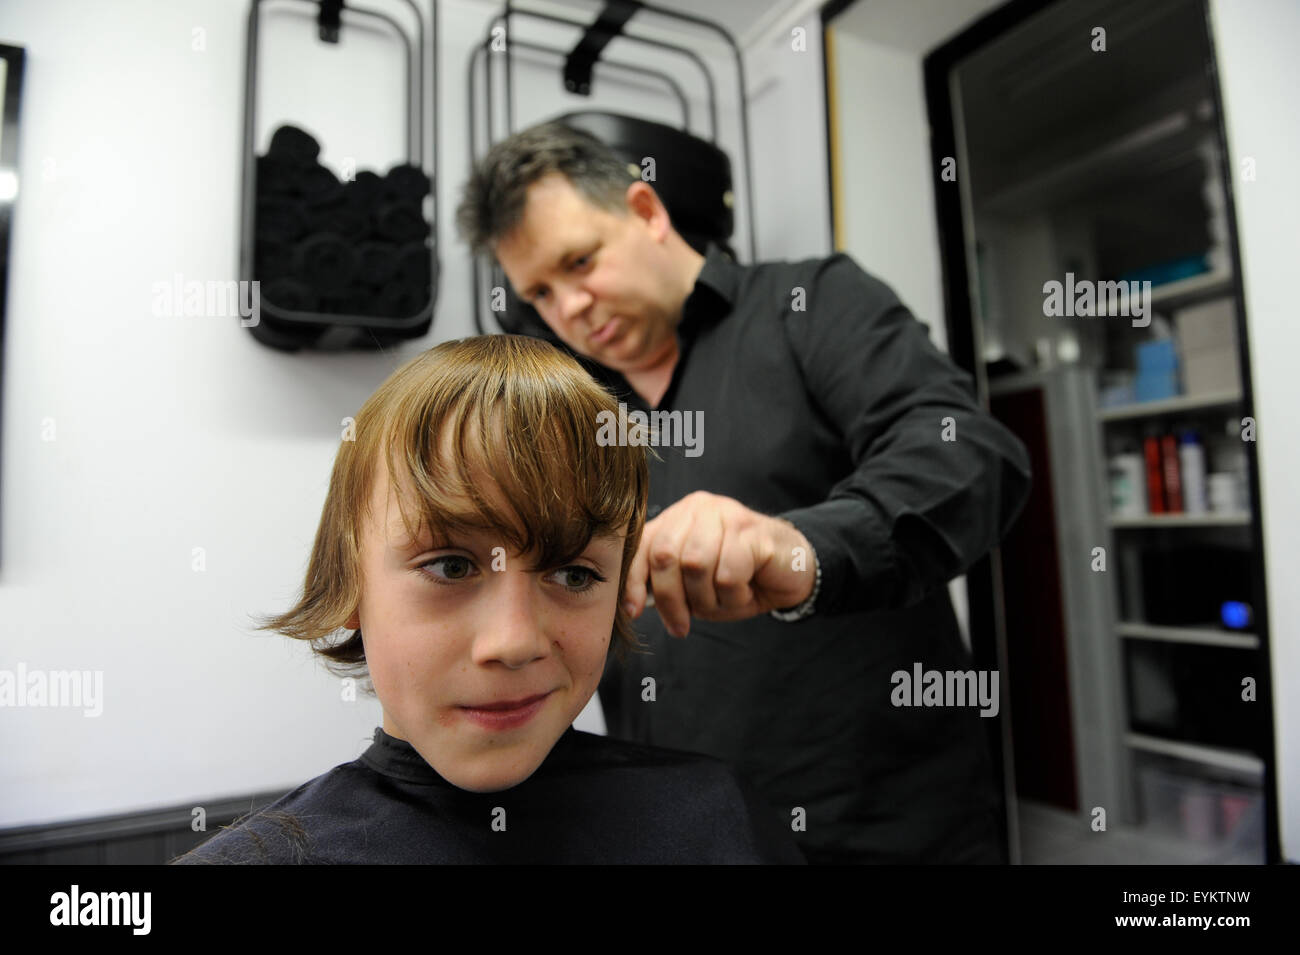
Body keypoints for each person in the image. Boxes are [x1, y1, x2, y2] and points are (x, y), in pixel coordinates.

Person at [455, 120, 1033, 864]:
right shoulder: (577, 412)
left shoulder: (812, 303)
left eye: (580, 261)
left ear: (646, 211)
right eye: (540, 291)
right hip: (677, 829)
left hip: (878, 825)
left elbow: (971, 451)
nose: (569, 307)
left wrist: (800, 548)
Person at [171, 335, 803, 864]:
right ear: (349, 582)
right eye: (451, 566)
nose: (515, 641)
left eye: (575, 575)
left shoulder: (718, 822)